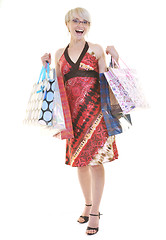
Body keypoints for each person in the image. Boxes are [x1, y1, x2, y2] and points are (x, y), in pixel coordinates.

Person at [41, 7, 119, 236]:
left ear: (88, 26)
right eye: (76, 20)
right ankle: (87, 204)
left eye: (85, 21)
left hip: (96, 117)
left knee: (95, 162)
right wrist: (45, 67)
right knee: (80, 162)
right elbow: (55, 87)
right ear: (67, 24)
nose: (80, 24)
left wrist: (115, 58)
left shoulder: (95, 50)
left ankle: (95, 212)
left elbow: (108, 82)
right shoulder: (59, 54)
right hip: (73, 118)